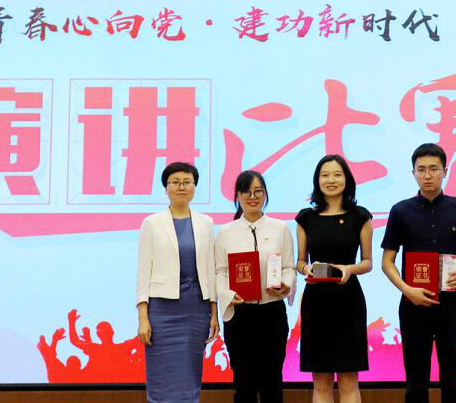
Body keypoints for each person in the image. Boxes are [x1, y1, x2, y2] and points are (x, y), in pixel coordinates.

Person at [380, 143, 456, 403]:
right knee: (415, 382)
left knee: (452, 381)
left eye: (433, 169)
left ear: (445, 171)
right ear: (413, 173)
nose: (427, 175)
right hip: (413, 304)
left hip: (452, 305)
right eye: (421, 170)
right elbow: (387, 261)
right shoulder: (400, 211)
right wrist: (407, 289)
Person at [135, 161, 219, 403]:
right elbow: (143, 272)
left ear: (194, 187)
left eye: (187, 182)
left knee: (190, 372)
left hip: (195, 308)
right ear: (166, 188)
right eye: (175, 182)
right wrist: (143, 317)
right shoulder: (152, 223)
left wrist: (214, 312)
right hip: (162, 310)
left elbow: (210, 269)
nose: (181, 187)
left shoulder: (206, 222)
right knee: (161, 373)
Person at [295, 154, 374, 403]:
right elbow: (300, 261)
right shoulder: (306, 218)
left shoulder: (360, 216)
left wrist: (349, 269)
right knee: (321, 382)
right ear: (317, 180)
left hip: (348, 301)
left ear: (346, 179)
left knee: (349, 380)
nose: (331, 180)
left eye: (337, 174)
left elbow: (368, 262)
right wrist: (306, 269)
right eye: (325, 175)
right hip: (316, 302)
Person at [215, 170, 296, 403]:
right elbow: (220, 271)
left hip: (272, 313)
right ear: (237, 196)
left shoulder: (280, 228)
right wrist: (227, 294)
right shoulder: (226, 232)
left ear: (265, 194)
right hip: (240, 315)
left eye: (258, 191)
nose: (253, 197)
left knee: (272, 380)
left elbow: (289, 267)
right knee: (244, 382)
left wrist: (286, 285)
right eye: (246, 192)